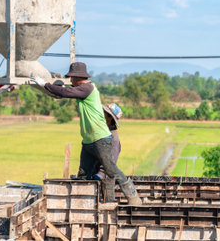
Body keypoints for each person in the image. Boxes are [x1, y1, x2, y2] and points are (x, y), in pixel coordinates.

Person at [31, 62, 141, 205]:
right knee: (83, 174)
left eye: (71, 78)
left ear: (78, 77)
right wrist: (50, 84)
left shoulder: (88, 88)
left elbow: (64, 92)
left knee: (110, 169)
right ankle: (82, 203)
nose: (70, 80)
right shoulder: (81, 89)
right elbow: (63, 90)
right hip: (88, 140)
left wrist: (45, 84)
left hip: (101, 138)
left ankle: (133, 197)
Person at [94, 103, 123, 202]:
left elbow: (110, 163)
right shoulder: (103, 134)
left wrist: (100, 174)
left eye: (104, 114)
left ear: (110, 118)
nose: (101, 115)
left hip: (105, 184)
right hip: (96, 180)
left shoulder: (113, 139)